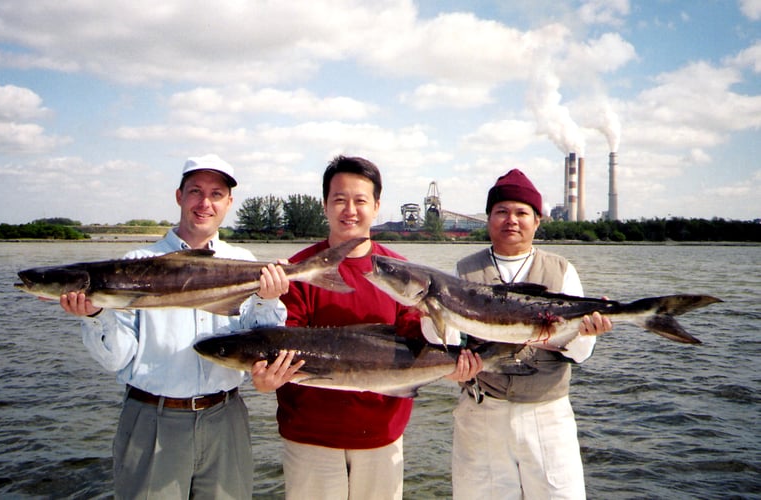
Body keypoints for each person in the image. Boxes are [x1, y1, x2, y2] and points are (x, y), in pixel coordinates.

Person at [58, 154, 290, 499]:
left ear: (229, 203)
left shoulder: (246, 263)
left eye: (216, 193)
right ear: (179, 196)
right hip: (152, 420)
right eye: (195, 191)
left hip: (225, 417)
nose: (204, 202)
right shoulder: (134, 265)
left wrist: (267, 299)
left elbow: (263, 343)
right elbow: (116, 359)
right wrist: (96, 316)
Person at [250, 155, 479, 500]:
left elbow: (425, 343)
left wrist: (455, 362)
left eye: (360, 201)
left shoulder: (406, 275)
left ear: (376, 206)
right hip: (309, 436)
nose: (350, 210)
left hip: (382, 437)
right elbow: (279, 341)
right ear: (325, 205)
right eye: (339, 200)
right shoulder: (297, 271)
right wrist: (264, 378)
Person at [442, 168, 613, 500]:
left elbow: (580, 354)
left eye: (522, 213)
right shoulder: (462, 272)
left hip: (547, 412)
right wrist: (453, 367)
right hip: (482, 411)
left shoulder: (561, 270)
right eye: (501, 211)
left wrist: (587, 333)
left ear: (538, 221)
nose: (511, 220)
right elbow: (446, 342)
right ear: (488, 218)